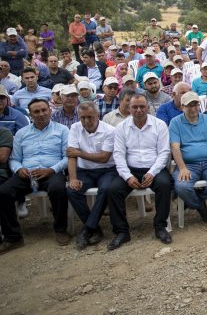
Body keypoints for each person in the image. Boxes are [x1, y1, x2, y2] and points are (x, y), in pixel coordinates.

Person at [0, 98, 70, 254]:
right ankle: (13, 237)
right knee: (3, 192)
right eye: (36, 112)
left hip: (52, 171)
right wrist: (19, 170)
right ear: (30, 114)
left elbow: (67, 158)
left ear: (50, 111)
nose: (41, 114)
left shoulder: (62, 130)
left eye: (44, 110)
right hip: (26, 173)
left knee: (58, 189)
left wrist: (51, 170)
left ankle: (60, 229)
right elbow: (14, 159)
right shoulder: (21, 133)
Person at [106, 94, 172, 250]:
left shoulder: (159, 125)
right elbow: (118, 155)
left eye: (142, 106)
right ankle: (122, 232)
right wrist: (128, 176)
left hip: (154, 168)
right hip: (131, 169)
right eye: (134, 107)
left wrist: (152, 172)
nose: (139, 110)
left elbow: (164, 153)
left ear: (147, 107)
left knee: (164, 184)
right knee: (113, 190)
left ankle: (160, 227)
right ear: (129, 108)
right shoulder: (121, 128)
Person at [169, 92, 207, 224]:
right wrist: (182, 168)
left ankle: (192, 200)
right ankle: (201, 206)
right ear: (182, 107)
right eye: (189, 105)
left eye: (196, 104)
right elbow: (175, 147)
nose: (194, 108)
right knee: (182, 187)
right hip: (188, 165)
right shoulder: (175, 122)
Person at [65, 102, 118, 249]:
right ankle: (94, 228)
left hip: (107, 169)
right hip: (85, 170)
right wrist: (73, 178)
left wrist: (80, 153)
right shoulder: (75, 128)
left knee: (107, 189)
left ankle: (87, 229)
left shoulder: (110, 130)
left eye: (90, 117)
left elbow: (104, 158)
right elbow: (71, 155)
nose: (86, 121)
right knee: (72, 189)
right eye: (83, 118)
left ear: (98, 116)